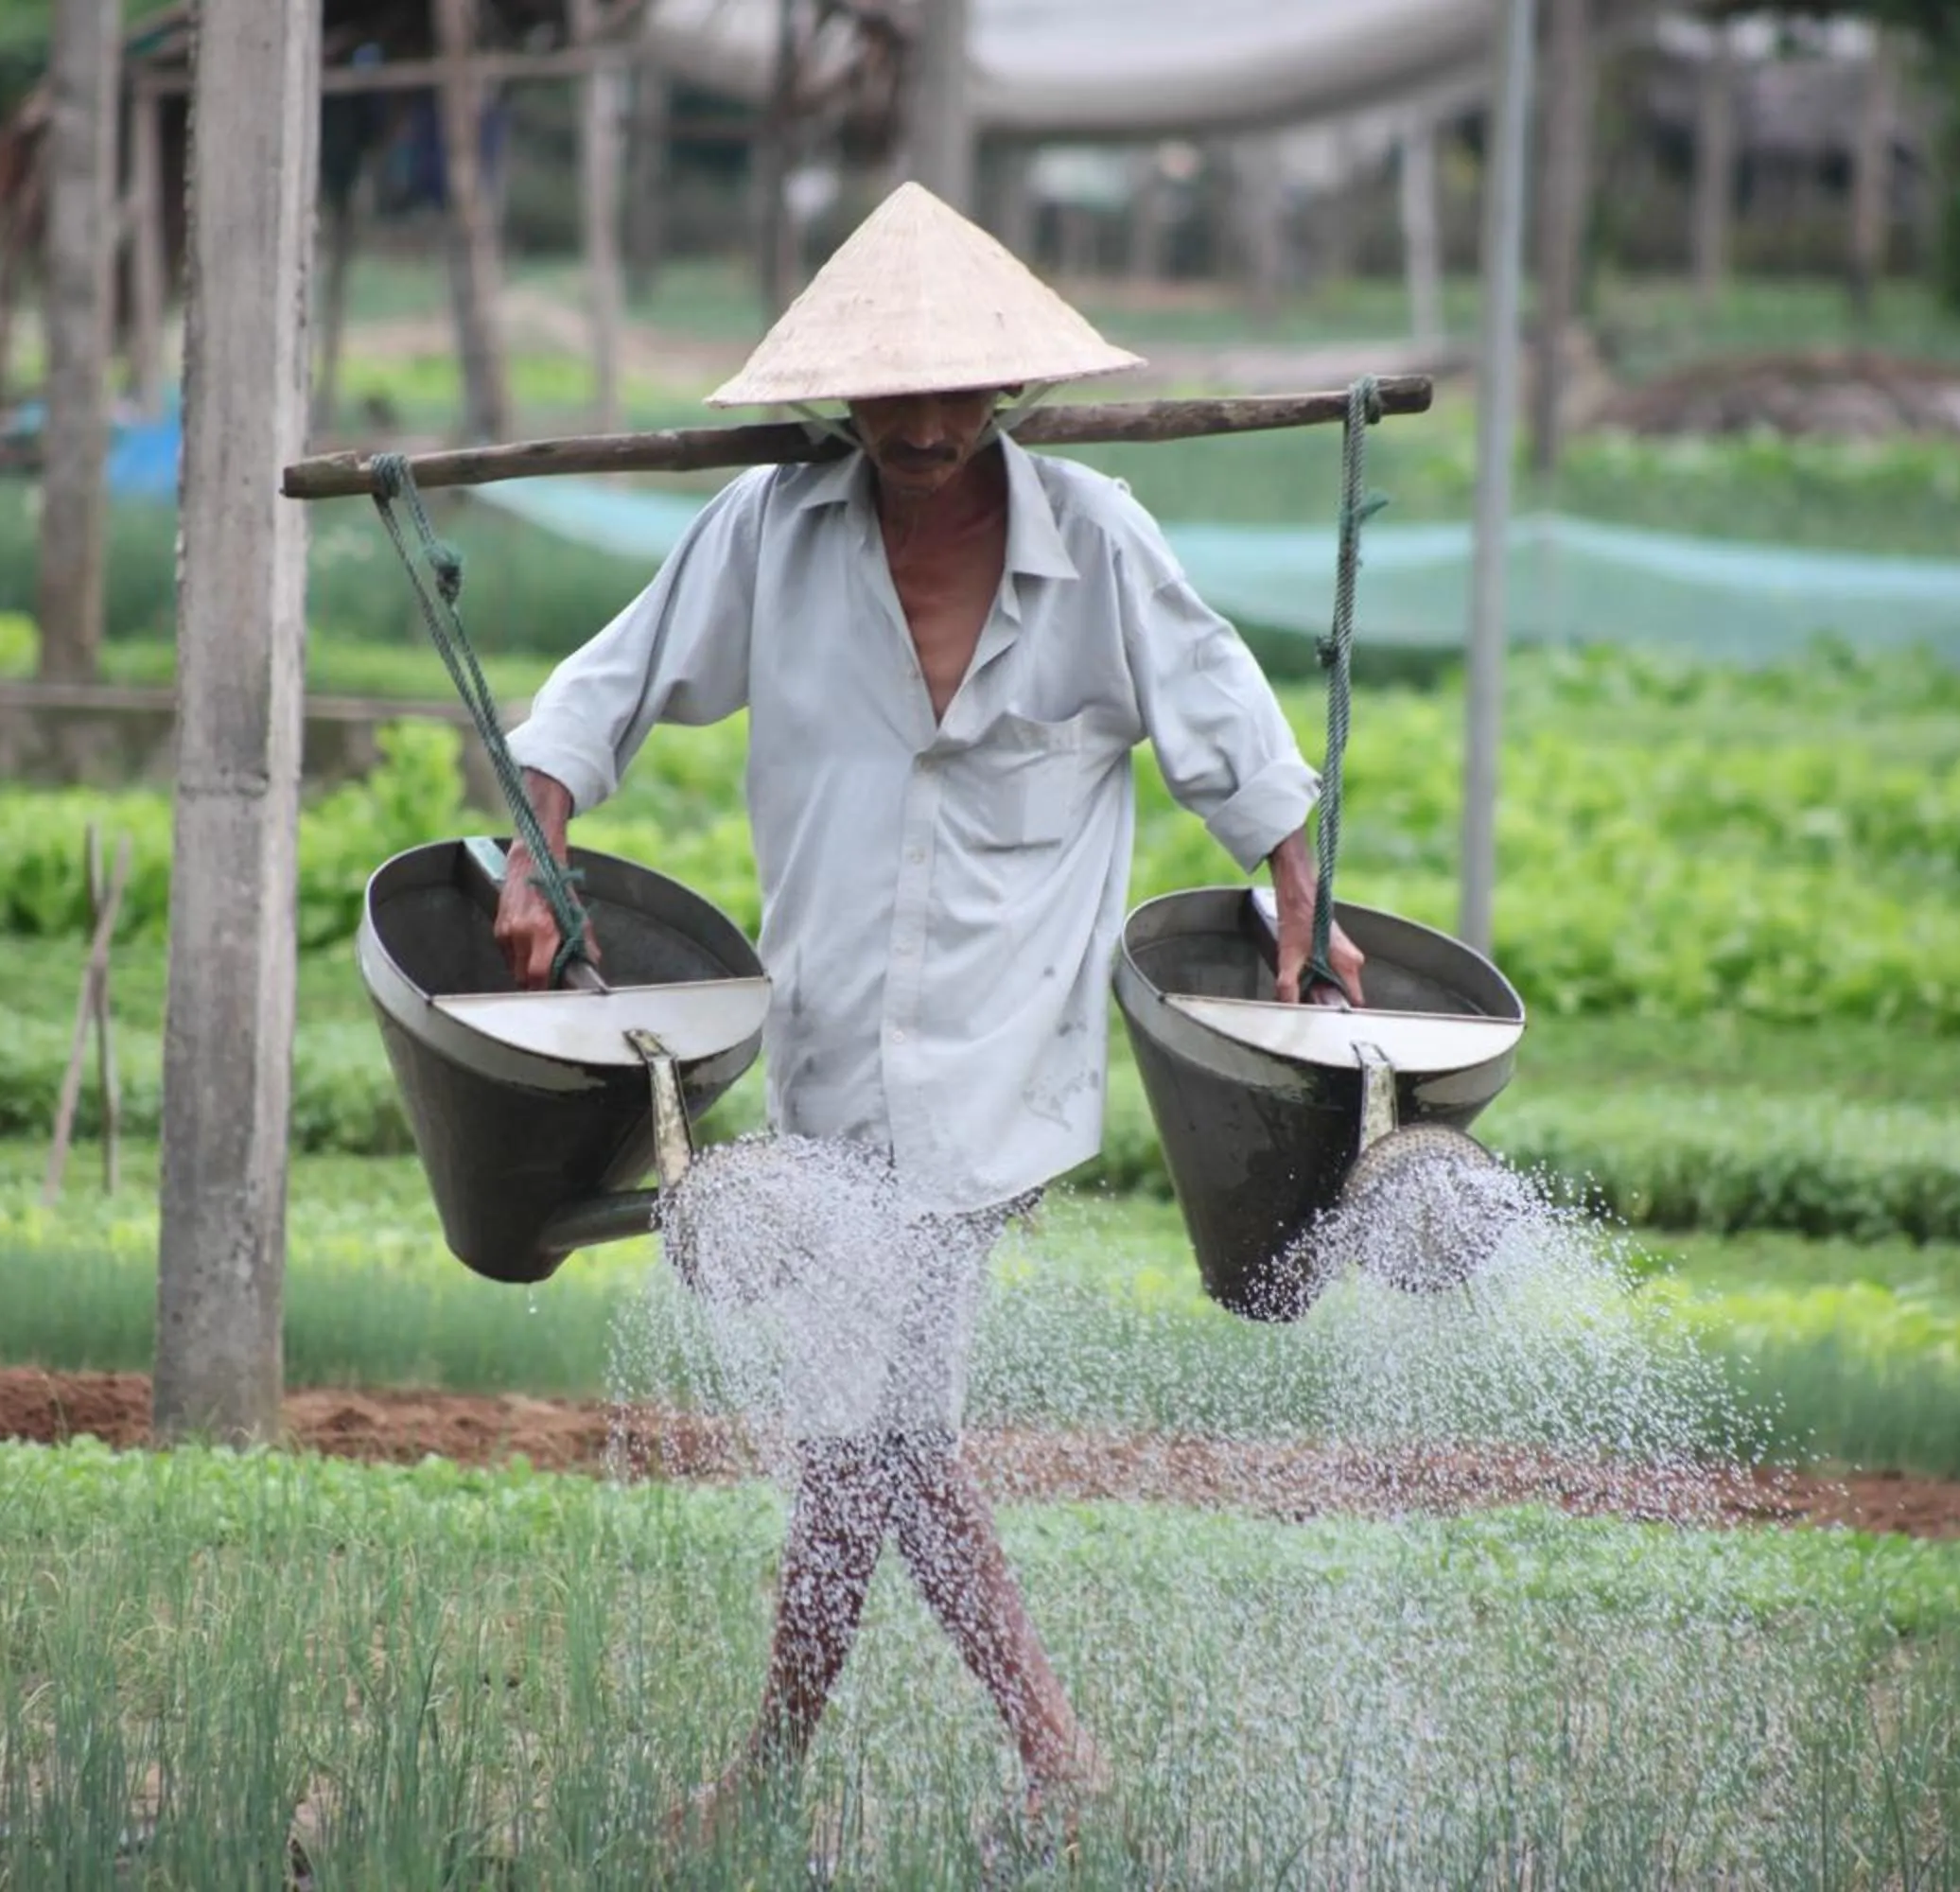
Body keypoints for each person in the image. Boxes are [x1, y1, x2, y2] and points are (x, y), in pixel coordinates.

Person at [494, 183, 1362, 1848]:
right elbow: (606, 685)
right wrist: (538, 837)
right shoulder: (771, 533)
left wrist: (1301, 891)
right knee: (866, 1430)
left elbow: (1229, 734)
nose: (927, 420)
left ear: (1011, 391)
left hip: (1000, 1056)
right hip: (833, 1041)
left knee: (870, 1413)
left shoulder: (1096, 540)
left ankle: (1021, 1745)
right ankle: (830, 1758)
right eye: (892, 389)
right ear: (843, 394)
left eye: (960, 388)